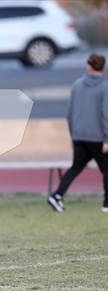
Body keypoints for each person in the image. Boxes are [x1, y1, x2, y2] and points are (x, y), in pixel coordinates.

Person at [48, 54, 108, 213]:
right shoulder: (104, 87)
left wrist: (73, 134)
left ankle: (57, 195)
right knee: (106, 168)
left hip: (79, 134)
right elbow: (106, 114)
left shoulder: (76, 85)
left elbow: (69, 113)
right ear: (103, 67)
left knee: (76, 167)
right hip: (98, 136)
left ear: (88, 66)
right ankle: (107, 204)